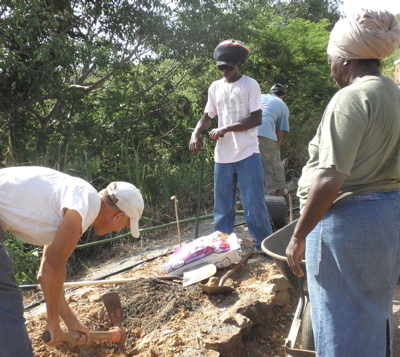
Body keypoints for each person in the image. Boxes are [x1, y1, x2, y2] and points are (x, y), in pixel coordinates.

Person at [285, 9, 400, 357]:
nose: (330, 66)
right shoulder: (393, 93)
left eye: (331, 58)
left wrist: (299, 234)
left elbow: (331, 177)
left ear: (346, 58)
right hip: (386, 215)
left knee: (340, 328)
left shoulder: (350, 98)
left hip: (348, 223)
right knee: (372, 315)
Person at [0, 166, 144, 356]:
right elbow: (53, 268)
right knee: (6, 302)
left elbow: (46, 275)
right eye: (123, 225)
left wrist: (71, 322)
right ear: (118, 215)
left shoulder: (77, 200)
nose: (118, 231)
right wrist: (52, 323)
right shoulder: (85, 203)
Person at [189, 39, 272, 251]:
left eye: (229, 67)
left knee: (253, 202)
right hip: (223, 156)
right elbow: (207, 116)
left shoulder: (249, 85)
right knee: (222, 205)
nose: (225, 71)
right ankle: (223, 244)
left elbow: (256, 119)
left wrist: (226, 129)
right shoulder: (215, 87)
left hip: (247, 152)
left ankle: (262, 244)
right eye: (221, 67)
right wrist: (196, 133)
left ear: (239, 65)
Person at [258, 83, 289, 196]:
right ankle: (279, 201)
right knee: (276, 169)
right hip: (265, 135)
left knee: (251, 169)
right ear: (282, 96)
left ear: (269, 92)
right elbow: (279, 134)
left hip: (245, 135)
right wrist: (275, 151)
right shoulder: (282, 104)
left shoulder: (259, 96)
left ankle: (243, 203)